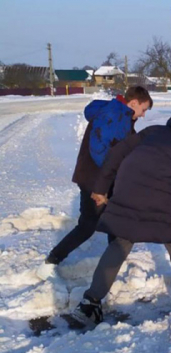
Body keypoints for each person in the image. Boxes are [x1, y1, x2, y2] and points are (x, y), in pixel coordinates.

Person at [71, 114, 171, 325]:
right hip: (162, 193)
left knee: (121, 241)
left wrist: (101, 187)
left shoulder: (156, 131)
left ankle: (90, 304)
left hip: (126, 186)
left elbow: (117, 153)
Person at [42, 86, 153, 272]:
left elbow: (122, 146)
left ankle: (113, 262)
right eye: (143, 110)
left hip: (101, 179)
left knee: (114, 220)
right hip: (95, 180)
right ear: (133, 103)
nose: (142, 115)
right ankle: (54, 258)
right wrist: (113, 175)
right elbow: (100, 151)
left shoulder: (121, 115)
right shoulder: (113, 115)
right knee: (88, 225)